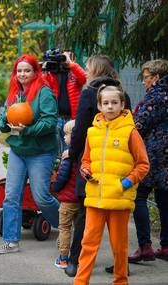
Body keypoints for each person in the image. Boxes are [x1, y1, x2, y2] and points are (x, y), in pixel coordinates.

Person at [73, 85, 149, 285]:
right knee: (88, 243)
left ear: (122, 104)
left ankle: (121, 281)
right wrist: (86, 171)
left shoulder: (131, 132)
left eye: (115, 102)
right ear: (99, 105)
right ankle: (80, 281)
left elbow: (143, 165)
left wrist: (125, 183)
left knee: (119, 246)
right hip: (95, 199)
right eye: (105, 103)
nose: (110, 107)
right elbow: (85, 161)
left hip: (118, 199)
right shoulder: (91, 132)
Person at [64, 55, 132, 277]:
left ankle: (75, 261)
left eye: (87, 67)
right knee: (117, 217)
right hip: (119, 164)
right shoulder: (122, 93)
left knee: (86, 214)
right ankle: (122, 265)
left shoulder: (90, 93)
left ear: (96, 70)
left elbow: (80, 129)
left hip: (92, 162)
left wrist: (72, 155)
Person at [0, 54, 59, 254]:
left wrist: (27, 130)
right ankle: (11, 241)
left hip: (41, 152)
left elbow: (50, 122)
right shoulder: (14, 94)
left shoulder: (44, 93)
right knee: (11, 196)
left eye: (27, 70)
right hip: (18, 151)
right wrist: (4, 123)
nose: (22, 74)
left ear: (34, 72)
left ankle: (66, 225)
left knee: (41, 197)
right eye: (19, 70)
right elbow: (4, 117)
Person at [129, 59, 168, 262]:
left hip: (153, 155)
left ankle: (145, 246)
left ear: (156, 77)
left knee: (139, 196)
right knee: (164, 199)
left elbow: (139, 125)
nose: (144, 82)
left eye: (146, 78)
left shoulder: (156, 97)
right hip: (165, 157)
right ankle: (166, 246)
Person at [42, 51, 86, 153]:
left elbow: (83, 78)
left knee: (69, 149)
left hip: (71, 119)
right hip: (56, 117)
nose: (62, 63)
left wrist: (70, 64)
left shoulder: (74, 74)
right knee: (56, 149)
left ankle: (67, 168)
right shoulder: (52, 74)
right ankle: (57, 168)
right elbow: (43, 86)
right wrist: (45, 69)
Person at [52, 119, 79, 269]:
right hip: (79, 199)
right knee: (79, 228)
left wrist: (55, 188)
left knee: (64, 228)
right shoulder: (83, 154)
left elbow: (62, 176)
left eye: (66, 135)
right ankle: (78, 257)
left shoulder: (68, 156)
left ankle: (63, 258)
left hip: (67, 200)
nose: (64, 137)